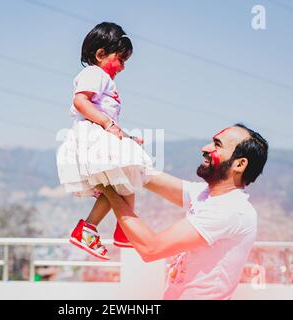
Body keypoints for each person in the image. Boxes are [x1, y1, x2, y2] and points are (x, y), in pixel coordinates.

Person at [96, 124, 269, 299]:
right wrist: (122, 151)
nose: (205, 149)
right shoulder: (206, 195)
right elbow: (144, 176)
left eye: (217, 145)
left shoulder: (229, 210)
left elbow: (151, 248)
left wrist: (109, 191)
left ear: (239, 164)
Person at [56, 22, 156, 260]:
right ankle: (122, 229)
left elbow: (105, 115)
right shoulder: (95, 73)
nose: (122, 67)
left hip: (99, 135)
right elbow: (81, 102)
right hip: (93, 137)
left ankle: (101, 230)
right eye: (120, 59)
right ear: (100, 54)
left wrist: (125, 137)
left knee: (122, 186)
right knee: (126, 183)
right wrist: (110, 126)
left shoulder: (104, 78)